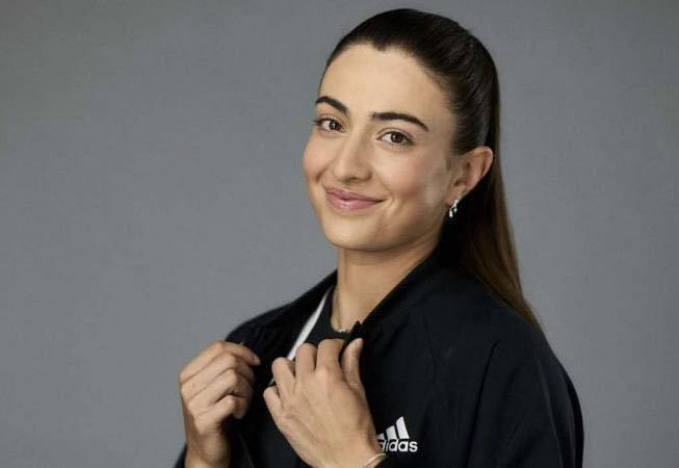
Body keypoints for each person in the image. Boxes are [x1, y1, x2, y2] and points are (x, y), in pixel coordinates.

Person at [174, 7, 584, 468]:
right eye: (332, 123)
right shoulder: (256, 349)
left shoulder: (502, 363)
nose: (346, 166)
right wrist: (203, 459)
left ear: (465, 174)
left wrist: (352, 459)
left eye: (394, 136)